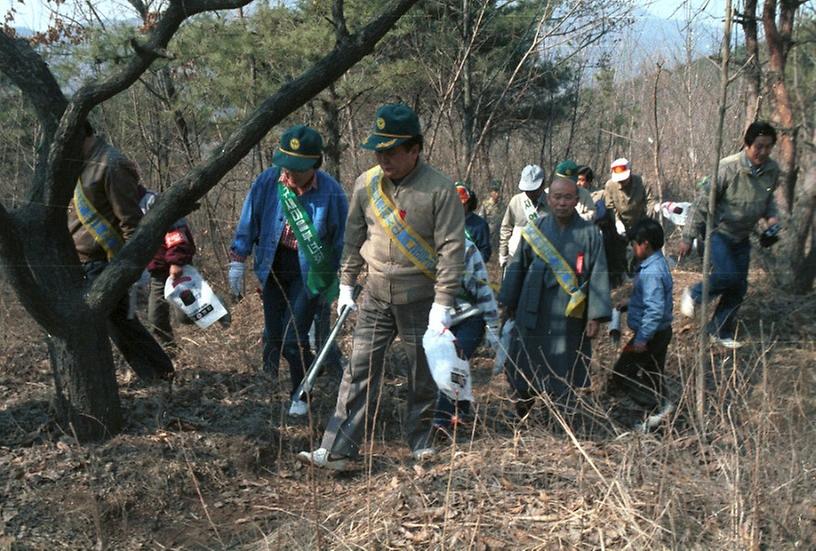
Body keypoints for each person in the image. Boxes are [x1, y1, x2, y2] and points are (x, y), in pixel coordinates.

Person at [298, 103, 465, 470]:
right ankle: (338, 447)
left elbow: (453, 249)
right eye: (378, 151)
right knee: (358, 369)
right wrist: (345, 285)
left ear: (414, 149)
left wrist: (444, 300)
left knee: (421, 373)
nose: (383, 158)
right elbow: (353, 237)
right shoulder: (366, 183)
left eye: (391, 151)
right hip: (374, 292)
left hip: (421, 296)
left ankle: (420, 441)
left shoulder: (439, 189)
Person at [228, 125, 348, 416]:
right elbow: (249, 220)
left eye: (297, 169)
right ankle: (305, 377)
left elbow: (342, 240)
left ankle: (301, 395)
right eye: (286, 167)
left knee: (294, 339)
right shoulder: (268, 182)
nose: (289, 175)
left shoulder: (331, 193)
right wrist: (237, 259)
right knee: (276, 335)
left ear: (314, 165)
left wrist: (339, 282)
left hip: (309, 272)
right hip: (273, 264)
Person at [67, 122, 174, 382]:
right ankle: (157, 373)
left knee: (117, 325)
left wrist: (133, 267)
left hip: (103, 260)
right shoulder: (80, 162)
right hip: (80, 261)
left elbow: (130, 222)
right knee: (119, 325)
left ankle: (159, 373)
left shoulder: (111, 163)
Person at [498, 176, 611, 418]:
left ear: (576, 200)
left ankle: (563, 413)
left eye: (568, 197)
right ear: (549, 199)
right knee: (526, 358)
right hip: (533, 307)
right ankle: (523, 407)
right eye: (557, 197)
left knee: (565, 361)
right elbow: (517, 266)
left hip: (569, 313)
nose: (562, 203)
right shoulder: (535, 229)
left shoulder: (590, 233)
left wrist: (595, 316)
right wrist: (507, 302)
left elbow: (599, 273)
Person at [678, 121, 781, 349]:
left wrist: (772, 221)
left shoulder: (772, 170)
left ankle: (718, 329)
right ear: (747, 144)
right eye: (759, 146)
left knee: (739, 287)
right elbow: (701, 203)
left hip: (742, 235)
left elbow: (768, 201)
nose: (763, 152)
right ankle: (694, 293)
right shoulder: (728, 168)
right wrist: (687, 236)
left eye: (768, 147)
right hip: (718, 231)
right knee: (727, 276)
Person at [433, 233, 500, 433]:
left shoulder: (466, 248)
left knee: (452, 361)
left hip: (469, 317)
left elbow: (483, 289)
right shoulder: (415, 244)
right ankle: (461, 412)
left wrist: (492, 325)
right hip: (437, 319)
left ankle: (440, 421)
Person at [608, 218, 673, 414]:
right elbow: (653, 298)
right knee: (653, 375)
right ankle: (662, 416)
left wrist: (642, 338)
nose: (632, 248)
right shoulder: (656, 264)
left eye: (634, 244)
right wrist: (631, 304)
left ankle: (656, 407)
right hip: (661, 331)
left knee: (621, 374)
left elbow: (654, 308)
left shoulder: (651, 272)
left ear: (645, 244)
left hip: (651, 335)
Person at [138, 188, 197, 355]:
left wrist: (176, 261)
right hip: (156, 272)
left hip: (176, 268)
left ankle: (218, 308)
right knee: (155, 319)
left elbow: (176, 231)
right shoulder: (121, 205)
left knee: (186, 316)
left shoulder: (151, 201)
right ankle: (172, 353)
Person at [603, 158, 657, 287]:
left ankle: (638, 275)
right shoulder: (610, 185)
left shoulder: (642, 182)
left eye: (624, 179)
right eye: (619, 180)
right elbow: (609, 206)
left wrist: (649, 217)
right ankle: (622, 276)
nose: (622, 183)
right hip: (619, 223)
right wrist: (616, 221)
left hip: (639, 220)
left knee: (638, 251)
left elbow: (650, 201)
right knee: (619, 250)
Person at [498, 165, 549, 270]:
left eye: (533, 189)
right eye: (527, 189)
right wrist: (503, 253)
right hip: (515, 256)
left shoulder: (552, 204)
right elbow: (506, 228)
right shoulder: (516, 201)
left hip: (544, 258)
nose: (529, 193)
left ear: (542, 184)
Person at [456, 182, 492, 262]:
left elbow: (485, 252)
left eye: (462, 204)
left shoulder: (480, 225)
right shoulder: (445, 222)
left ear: (469, 203)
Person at [477, 179, 504, 253]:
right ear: (491, 192)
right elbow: (480, 221)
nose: (497, 193)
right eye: (495, 191)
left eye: (498, 191)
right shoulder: (485, 205)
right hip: (488, 237)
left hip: (499, 238)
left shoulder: (502, 206)